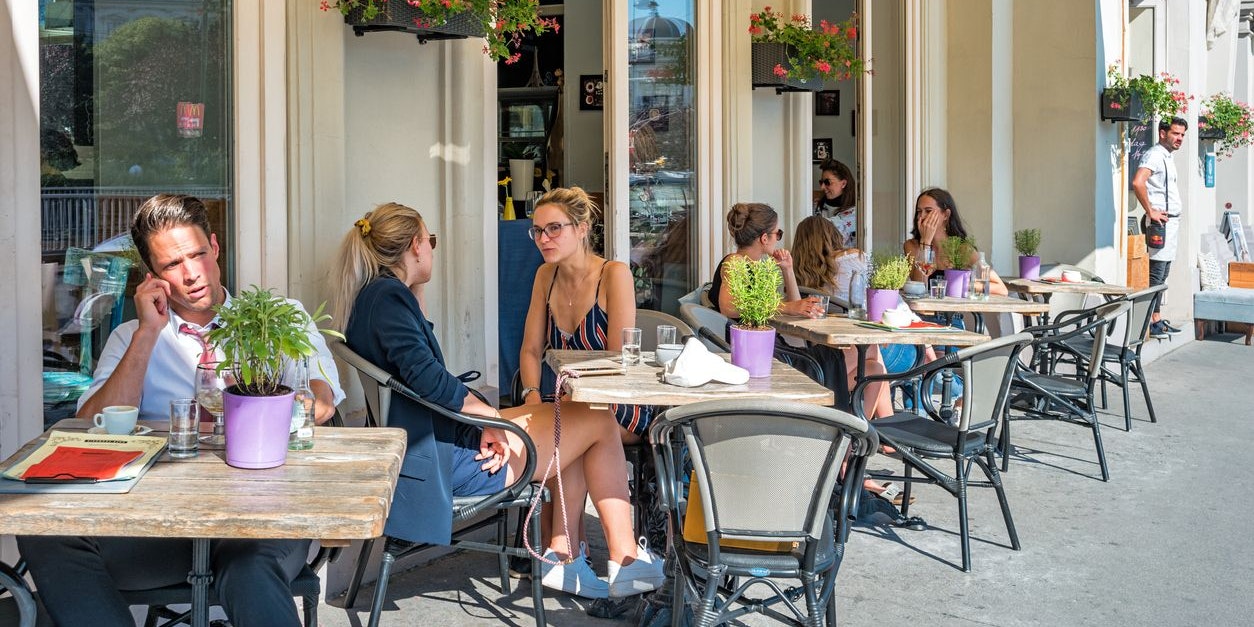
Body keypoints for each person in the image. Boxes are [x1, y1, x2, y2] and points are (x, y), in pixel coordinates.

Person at [18, 194, 344, 627]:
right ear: (152, 275)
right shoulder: (131, 338)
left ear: (215, 246)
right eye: (173, 265)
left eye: (198, 255)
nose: (192, 274)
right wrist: (148, 335)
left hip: (262, 523)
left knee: (248, 569)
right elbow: (87, 426)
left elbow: (320, 400)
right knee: (45, 536)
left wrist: (256, 409)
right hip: (166, 531)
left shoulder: (276, 319)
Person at [334, 202, 665, 601]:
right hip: (446, 459)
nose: (434, 251)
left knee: (577, 421)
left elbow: (419, 368)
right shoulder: (389, 300)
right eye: (431, 241)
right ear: (417, 245)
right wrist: (488, 417)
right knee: (595, 421)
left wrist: (416, 284)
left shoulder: (378, 296)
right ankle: (623, 559)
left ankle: (563, 556)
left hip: (433, 441)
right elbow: (424, 374)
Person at [517, 186, 651, 597]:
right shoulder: (545, 275)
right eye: (537, 231)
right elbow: (530, 350)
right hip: (566, 403)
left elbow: (617, 360)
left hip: (619, 403)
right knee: (568, 425)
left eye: (554, 228)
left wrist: (561, 404)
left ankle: (565, 552)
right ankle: (606, 557)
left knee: (575, 427)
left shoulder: (614, 274)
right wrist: (531, 396)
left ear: (582, 229)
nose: (544, 239)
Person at [792, 215, 892, 420]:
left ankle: (868, 429)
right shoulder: (852, 259)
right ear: (833, 236)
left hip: (816, 355)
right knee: (873, 356)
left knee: (873, 363)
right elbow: (884, 307)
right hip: (847, 354)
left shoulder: (798, 279)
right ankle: (869, 428)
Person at [711, 202, 824, 322]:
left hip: (757, 335)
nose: (778, 239)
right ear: (764, 238)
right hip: (737, 338)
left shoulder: (758, 266)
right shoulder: (735, 262)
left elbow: (796, 311)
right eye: (778, 233)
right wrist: (786, 307)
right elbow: (729, 307)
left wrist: (788, 270)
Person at [1132, 116, 1187, 339]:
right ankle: (1151, 321)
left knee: (1162, 274)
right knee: (1156, 273)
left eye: (1182, 135)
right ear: (1162, 133)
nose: (1179, 138)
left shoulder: (1167, 156)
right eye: (1175, 133)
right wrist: (1151, 211)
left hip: (1170, 222)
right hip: (1160, 223)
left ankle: (1156, 318)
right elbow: (1138, 182)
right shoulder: (1154, 154)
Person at [814, 159, 858, 249]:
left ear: (843, 183)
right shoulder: (816, 207)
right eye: (821, 182)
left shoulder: (856, 212)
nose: (822, 187)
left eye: (827, 182)